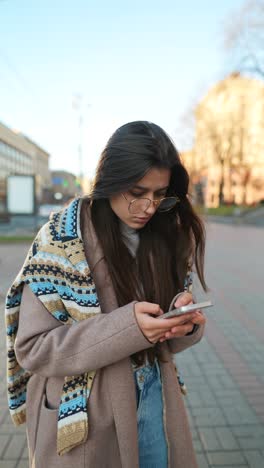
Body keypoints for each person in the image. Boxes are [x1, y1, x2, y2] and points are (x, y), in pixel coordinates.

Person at [5, 121, 207, 468]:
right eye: (137, 192)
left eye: (159, 194)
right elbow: (32, 348)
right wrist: (129, 330)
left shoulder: (167, 234)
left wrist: (183, 323)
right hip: (86, 417)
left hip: (155, 394)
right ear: (110, 181)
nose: (148, 206)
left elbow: (164, 331)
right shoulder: (60, 241)